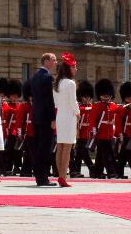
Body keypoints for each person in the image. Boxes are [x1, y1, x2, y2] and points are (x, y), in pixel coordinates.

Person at [29, 53, 56, 186]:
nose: (55, 62)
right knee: (45, 149)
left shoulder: (35, 76)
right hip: (45, 117)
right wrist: (52, 118)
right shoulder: (47, 77)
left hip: (37, 116)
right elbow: (48, 100)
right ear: (46, 61)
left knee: (39, 148)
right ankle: (43, 178)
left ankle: (39, 176)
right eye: (53, 60)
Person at [52, 52, 78, 187]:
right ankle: (63, 176)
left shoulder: (57, 83)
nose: (76, 69)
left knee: (60, 147)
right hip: (68, 116)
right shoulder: (70, 83)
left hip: (60, 116)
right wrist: (78, 113)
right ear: (69, 69)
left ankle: (60, 175)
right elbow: (73, 102)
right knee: (67, 148)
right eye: (74, 67)